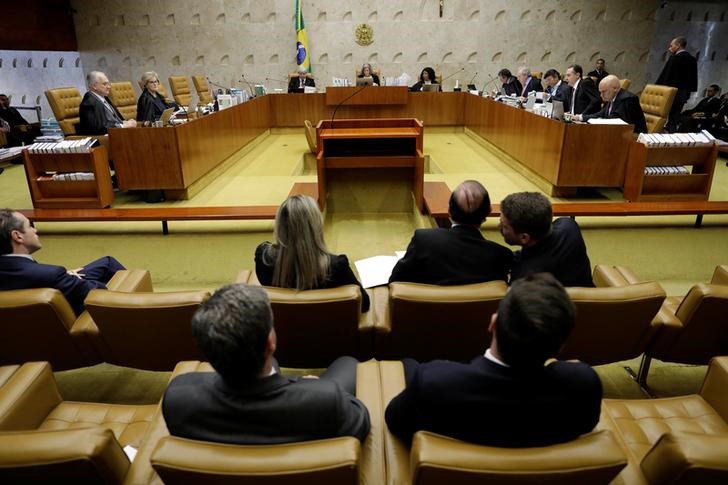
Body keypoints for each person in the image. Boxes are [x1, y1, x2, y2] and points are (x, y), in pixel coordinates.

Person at [385, 272, 602, 447]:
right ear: (561, 345)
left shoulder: (432, 381)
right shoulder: (584, 385)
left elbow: (395, 421)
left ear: (493, 324)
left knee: (408, 364)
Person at [163, 283, 370, 445]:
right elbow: (361, 421)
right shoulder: (326, 400)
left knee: (275, 364)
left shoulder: (177, 397)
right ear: (270, 342)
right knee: (348, 362)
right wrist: (309, 386)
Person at [255, 194, 370, 312]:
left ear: (279, 225)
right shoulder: (336, 267)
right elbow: (364, 304)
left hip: (282, 327)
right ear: (315, 226)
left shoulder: (263, 258)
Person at [0, 209, 126, 315]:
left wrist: (65, 276)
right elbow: (99, 290)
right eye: (29, 226)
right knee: (112, 278)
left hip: (41, 294)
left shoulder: (48, 274)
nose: (35, 231)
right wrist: (65, 278)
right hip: (71, 312)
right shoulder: (52, 275)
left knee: (107, 263)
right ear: (18, 236)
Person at [389, 180, 512, 285]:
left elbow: (396, 280)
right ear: (489, 211)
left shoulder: (424, 240)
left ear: (449, 210)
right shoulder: (501, 255)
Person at [499, 192, 593, 287]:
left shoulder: (523, 278)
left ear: (524, 237)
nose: (499, 226)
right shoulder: (569, 226)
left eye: (504, 226)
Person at [577, 75, 647, 133]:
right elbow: (601, 114)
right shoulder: (612, 97)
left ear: (615, 88)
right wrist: (580, 117)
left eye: (603, 92)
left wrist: (597, 121)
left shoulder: (627, 99)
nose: (601, 95)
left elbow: (618, 121)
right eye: (600, 92)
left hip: (634, 136)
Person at [656, 36, 698, 133]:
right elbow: (693, 78)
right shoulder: (692, 59)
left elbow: (666, 76)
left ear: (678, 45)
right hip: (683, 94)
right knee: (675, 116)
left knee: (663, 115)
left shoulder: (675, 58)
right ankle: (672, 133)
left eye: (672, 45)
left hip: (671, 93)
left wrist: (659, 88)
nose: (670, 48)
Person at [78, 70, 137, 135]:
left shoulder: (104, 98)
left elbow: (115, 120)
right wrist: (123, 126)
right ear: (95, 86)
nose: (109, 87)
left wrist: (125, 123)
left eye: (108, 84)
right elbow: (100, 129)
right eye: (105, 84)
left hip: (117, 135)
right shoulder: (90, 102)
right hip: (104, 140)